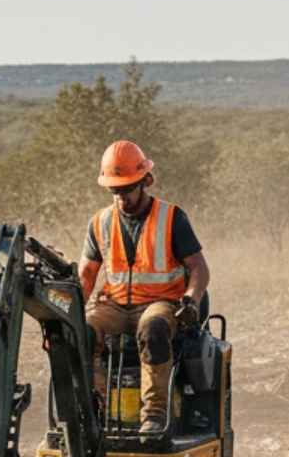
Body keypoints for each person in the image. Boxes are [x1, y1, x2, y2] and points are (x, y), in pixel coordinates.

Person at [78, 139, 210, 436]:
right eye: (115, 191)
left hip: (161, 303)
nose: (122, 198)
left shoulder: (172, 217)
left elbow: (199, 267)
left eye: (127, 189)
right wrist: (69, 312)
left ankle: (153, 415)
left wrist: (191, 299)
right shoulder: (99, 222)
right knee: (81, 332)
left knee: (153, 330)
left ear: (145, 181)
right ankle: (92, 409)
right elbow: (86, 274)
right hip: (113, 306)